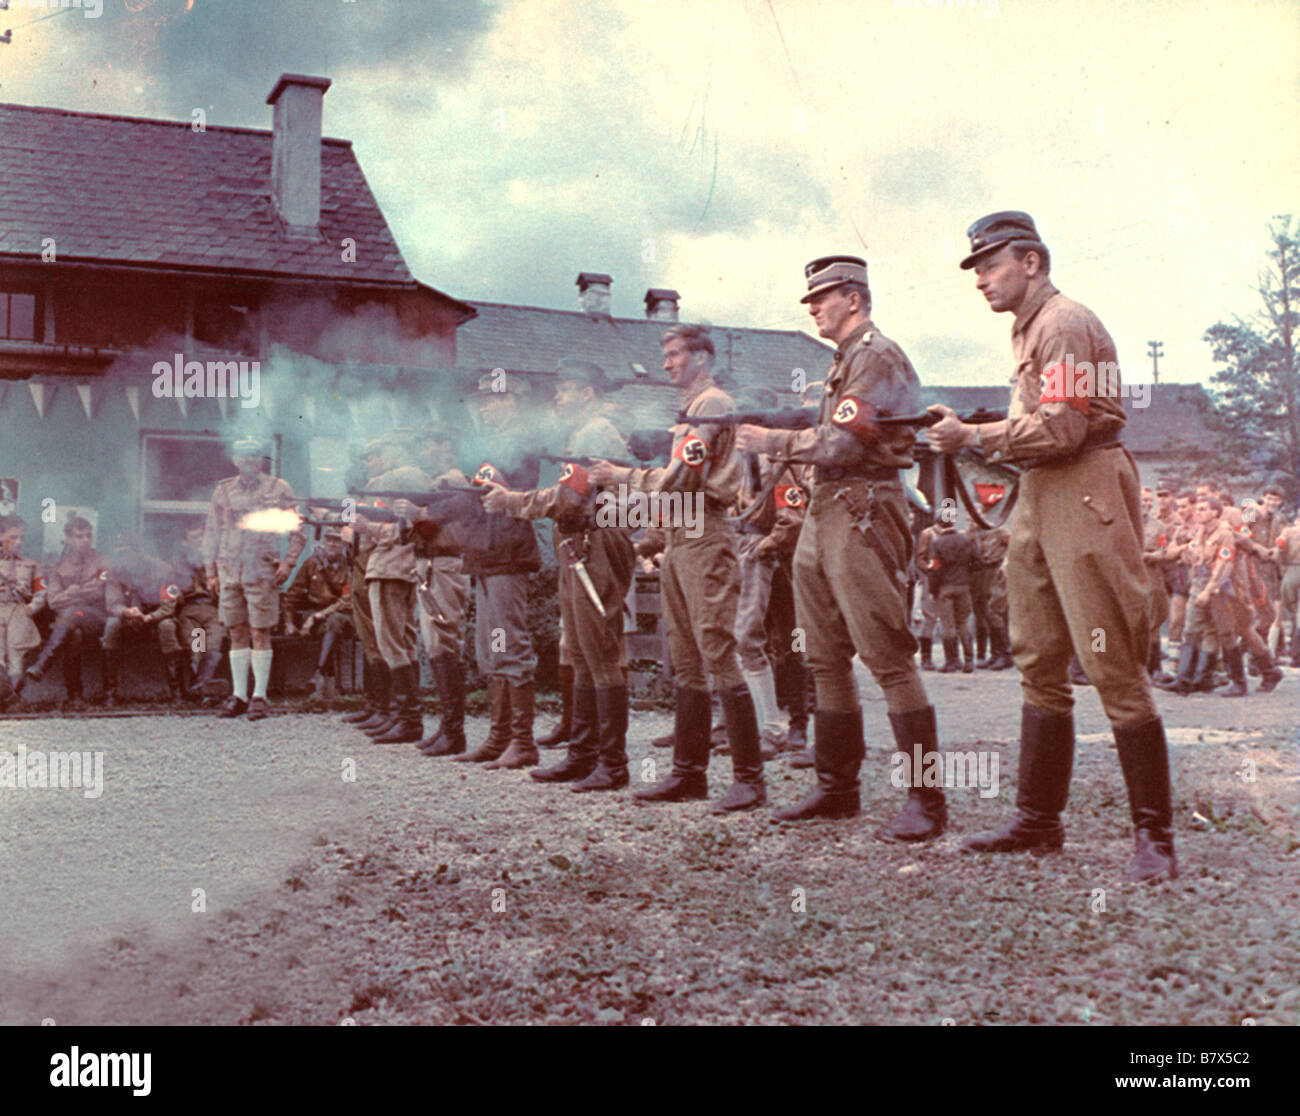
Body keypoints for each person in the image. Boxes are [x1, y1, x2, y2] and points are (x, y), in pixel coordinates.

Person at [931, 211, 1176, 881]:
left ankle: (1155, 838)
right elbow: (1039, 427)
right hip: (1044, 494)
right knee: (1037, 655)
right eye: (977, 268)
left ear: (1032, 262)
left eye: (990, 264)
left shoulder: (1063, 324)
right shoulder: (1031, 328)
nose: (980, 279)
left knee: (1111, 662)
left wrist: (974, 438)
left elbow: (1063, 429)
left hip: (1082, 486)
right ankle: (1039, 821)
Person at [735, 255, 947, 837]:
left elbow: (844, 443)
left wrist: (771, 439)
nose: (813, 309)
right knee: (823, 655)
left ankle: (926, 800)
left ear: (854, 299)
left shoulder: (875, 356)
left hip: (862, 508)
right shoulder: (848, 361)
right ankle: (836, 786)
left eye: (822, 298)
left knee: (888, 657)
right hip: (828, 511)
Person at [593, 324, 767, 813]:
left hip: (705, 535)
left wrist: (622, 476)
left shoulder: (710, 405)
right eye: (665, 354)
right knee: (687, 657)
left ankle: (749, 779)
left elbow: (683, 479)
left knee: (716, 650)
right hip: (682, 536)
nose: (666, 363)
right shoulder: (693, 410)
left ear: (703, 358)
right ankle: (689, 774)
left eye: (674, 354)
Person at [484, 359, 636, 790]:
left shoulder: (593, 432)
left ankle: (611, 763)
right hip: (584, 545)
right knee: (585, 655)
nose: (556, 397)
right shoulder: (588, 431)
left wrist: (512, 501)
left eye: (564, 390)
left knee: (599, 655)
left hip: (595, 544)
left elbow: (569, 499)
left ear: (586, 393)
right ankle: (586, 756)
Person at [453, 373, 544, 769]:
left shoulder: (522, 443)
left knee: (509, 643)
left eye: (493, 401)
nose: (485, 408)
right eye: (483, 402)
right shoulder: (488, 445)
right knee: (491, 648)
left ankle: (522, 742)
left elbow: (514, 491)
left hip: (507, 552)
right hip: (487, 554)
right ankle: (500, 737)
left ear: (512, 403)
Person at [203, 436, 305, 720]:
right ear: (235, 460)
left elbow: (297, 530)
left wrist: (288, 562)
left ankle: (260, 696)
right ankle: (239, 695)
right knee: (236, 630)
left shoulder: (279, 488)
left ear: (262, 460)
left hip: (262, 569)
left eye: (255, 455)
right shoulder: (223, 491)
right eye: (243, 455)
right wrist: (211, 572)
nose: (249, 461)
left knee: (261, 631)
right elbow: (211, 532)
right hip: (230, 569)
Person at [412, 424, 473, 758]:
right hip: (433, 564)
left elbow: (436, 523)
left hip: (445, 565)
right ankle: (447, 727)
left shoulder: (453, 483)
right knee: (436, 643)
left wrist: (415, 515)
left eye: (429, 445)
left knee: (445, 641)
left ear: (447, 446)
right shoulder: (440, 483)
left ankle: (454, 731)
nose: (423, 454)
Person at [25, 516, 109, 706]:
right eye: (79, 537)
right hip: (74, 619)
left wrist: (72, 592)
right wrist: (79, 591)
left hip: (97, 617)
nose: (85, 540)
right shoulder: (58, 567)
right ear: (68, 539)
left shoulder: (103, 561)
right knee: (74, 634)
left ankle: (42, 663)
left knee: (72, 613)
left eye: (88, 536)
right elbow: (53, 602)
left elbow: (99, 591)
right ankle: (75, 695)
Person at [155, 523, 226, 702]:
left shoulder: (214, 562)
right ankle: (202, 688)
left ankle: (202, 686)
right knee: (198, 645)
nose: (200, 542)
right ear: (185, 542)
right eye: (195, 538)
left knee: (214, 643)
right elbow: (166, 588)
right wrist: (173, 591)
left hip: (212, 610)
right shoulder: (175, 563)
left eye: (202, 537)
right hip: (190, 610)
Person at [283, 527, 353, 701]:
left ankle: (320, 673)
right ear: (323, 541)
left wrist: (318, 616)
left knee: (334, 622)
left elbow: (346, 601)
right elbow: (294, 593)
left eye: (336, 540)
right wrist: (289, 622)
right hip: (315, 616)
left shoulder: (349, 567)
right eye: (328, 539)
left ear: (343, 544)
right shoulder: (312, 563)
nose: (332, 544)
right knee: (328, 629)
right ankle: (326, 684)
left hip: (341, 616)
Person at [101, 534, 171, 706]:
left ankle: (177, 690)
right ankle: (110, 692)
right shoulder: (115, 572)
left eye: (127, 553)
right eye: (120, 554)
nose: (124, 558)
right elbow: (113, 603)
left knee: (168, 627)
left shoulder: (162, 570)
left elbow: (169, 605)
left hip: (156, 617)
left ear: (139, 552)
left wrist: (150, 617)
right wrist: (126, 611)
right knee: (111, 625)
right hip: (129, 619)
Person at [0, 515, 44, 709]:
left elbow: (42, 592)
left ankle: (12, 701)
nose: (18, 542)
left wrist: (31, 609)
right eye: (13, 537)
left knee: (16, 654)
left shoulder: (31, 564)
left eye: (22, 538)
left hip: (19, 611)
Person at [928, 516, 977, 673]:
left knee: (948, 625)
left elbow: (935, 568)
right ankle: (969, 661)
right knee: (963, 622)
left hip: (945, 587)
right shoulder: (966, 540)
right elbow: (977, 562)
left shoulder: (938, 543)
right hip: (963, 586)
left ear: (939, 525)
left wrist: (933, 591)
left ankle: (952, 661)